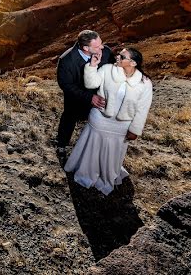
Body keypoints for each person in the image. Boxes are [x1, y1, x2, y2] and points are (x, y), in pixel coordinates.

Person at [64, 47, 153, 195]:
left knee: (114, 151)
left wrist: (135, 129)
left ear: (133, 63)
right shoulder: (106, 69)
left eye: (122, 56)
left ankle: (107, 174)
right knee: (93, 147)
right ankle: (86, 171)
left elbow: (143, 109)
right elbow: (91, 84)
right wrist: (93, 65)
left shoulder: (145, 83)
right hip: (100, 119)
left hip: (122, 126)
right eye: (118, 54)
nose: (117, 57)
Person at [55, 30, 115, 164]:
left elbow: (114, 70)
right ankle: (61, 146)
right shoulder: (66, 60)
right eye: (97, 46)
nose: (102, 47)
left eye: (101, 43)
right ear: (86, 48)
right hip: (76, 98)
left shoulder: (106, 52)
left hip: (101, 97)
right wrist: (89, 97)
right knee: (69, 119)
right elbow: (66, 85)